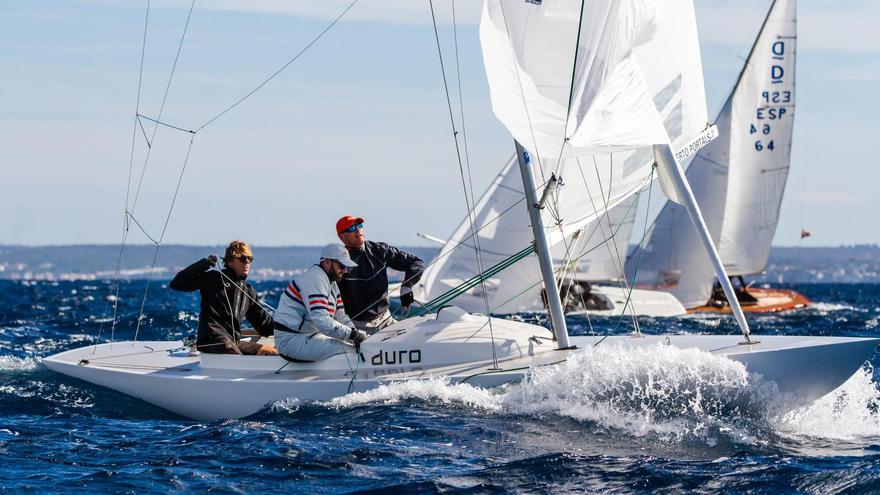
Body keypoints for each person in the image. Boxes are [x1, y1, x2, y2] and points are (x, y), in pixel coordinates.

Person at [169, 240, 277, 355]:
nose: (247, 262)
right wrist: (205, 264)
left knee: (272, 352)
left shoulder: (248, 291)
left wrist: (290, 327)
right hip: (211, 340)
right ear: (230, 261)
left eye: (249, 259)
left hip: (233, 342)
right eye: (242, 258)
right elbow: (177, 283)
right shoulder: (213, 279)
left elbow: (265, 327)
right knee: (233, 352)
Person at [273, 244, 368, 362]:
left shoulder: (331, 282)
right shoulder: (314, 279)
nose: (345, 271)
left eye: (348, 267)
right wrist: (352, 335)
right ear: (327, 262)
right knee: (351, 352)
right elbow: (321, 320)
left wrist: (355, 334)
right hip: (290, 340)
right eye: (342, 265)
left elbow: (341, 316)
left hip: (308, 336)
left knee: (359, 347)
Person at [335, 215, 425, 333]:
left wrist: (407, 286)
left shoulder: (379, 250)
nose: (357, 229)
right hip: (356, 326)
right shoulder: (338, 262)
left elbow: (416, 263)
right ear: (342, 237)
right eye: (351, 228)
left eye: (359, 225)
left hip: (385, 320)